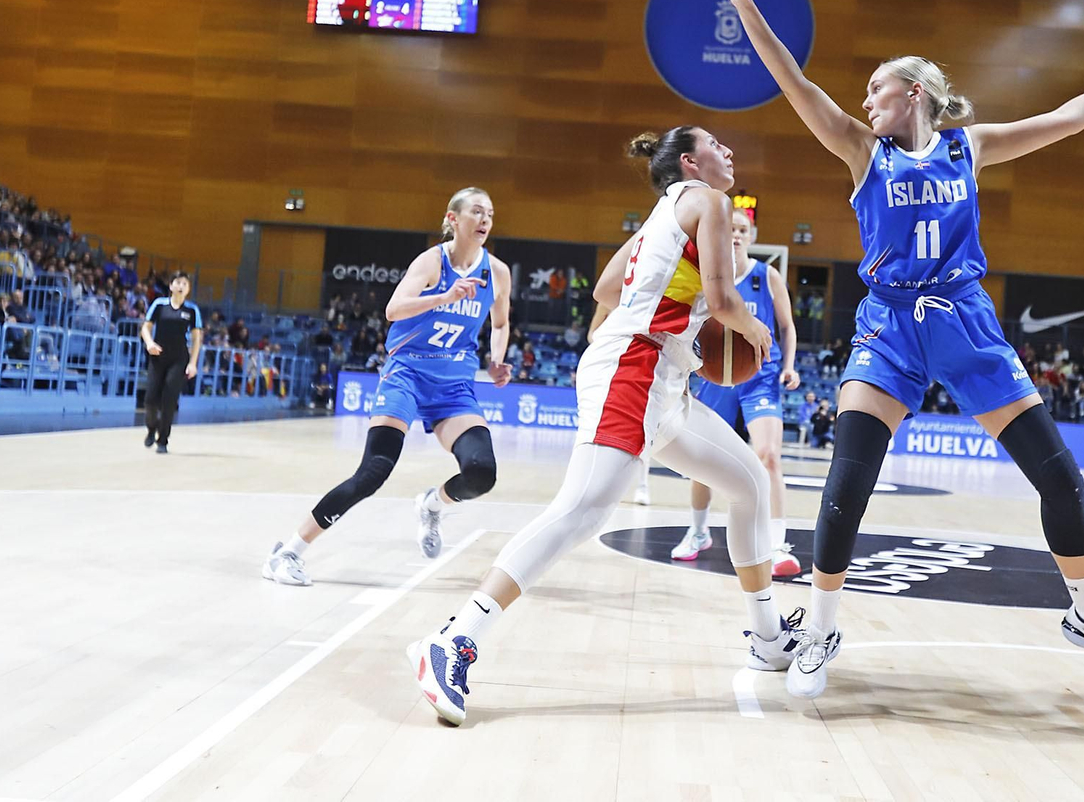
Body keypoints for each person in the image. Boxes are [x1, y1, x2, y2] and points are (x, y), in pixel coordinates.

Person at [726, 0, 1084, 698]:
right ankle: (820, 628)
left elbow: (1067, 119)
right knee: (846, 484)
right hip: (890, 326)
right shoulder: (862, 151)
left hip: (965, 323)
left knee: (1062, 480)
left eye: (877, 89)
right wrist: (745, 8)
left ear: (915, 93)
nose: (865, 101)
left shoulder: (969, 149)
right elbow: (793, 79)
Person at [409, 127, 798, 726]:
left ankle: (768, 638)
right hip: (634, 368)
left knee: (748, 481)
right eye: (716, 145)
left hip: (660, 377)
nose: (728, 151)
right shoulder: (710, 201)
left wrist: (672, 322)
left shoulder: (664, 213)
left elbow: (606, 288)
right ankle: (453, 640)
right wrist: (750, 327)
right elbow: (723, 301)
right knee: (582, 511)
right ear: (690, 162)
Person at [264, 188, 513, 585]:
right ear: (453, 218)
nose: (485, 220)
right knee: (373, 472)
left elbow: (500, 323)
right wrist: (444, 296)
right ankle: (288, 552)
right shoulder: (432, 262)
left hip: (454, 386)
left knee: (482, 473)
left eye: (490, 214)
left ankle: (432, 505)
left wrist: (496, 359)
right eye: (477, 212)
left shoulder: (497, 272)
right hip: (407, 375)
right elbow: (393, 310)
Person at [673, 208, 803, 577]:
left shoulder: (767, 276)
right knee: (702, 463)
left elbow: (787, 327)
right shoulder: (708, 276)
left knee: (769, 456)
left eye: (742, 230)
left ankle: (776, 544)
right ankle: (698, 532)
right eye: (730, 229)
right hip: (714, 378)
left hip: (761, 377)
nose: (735, 235)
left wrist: (789, 365)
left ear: (752, 235)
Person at [139, 272, 203, 454]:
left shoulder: (192, 310)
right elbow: (146, 327)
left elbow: (196, 339)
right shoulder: (159, 305)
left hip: (179, 359)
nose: (181, 286)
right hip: (158, 357)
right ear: (171, 286)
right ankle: (151, 428)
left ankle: (163, 440)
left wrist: (193, 363)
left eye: (185, 284)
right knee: (150, 399)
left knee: (169, 400)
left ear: (188, 289)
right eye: (178, 282)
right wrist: (149, 343)